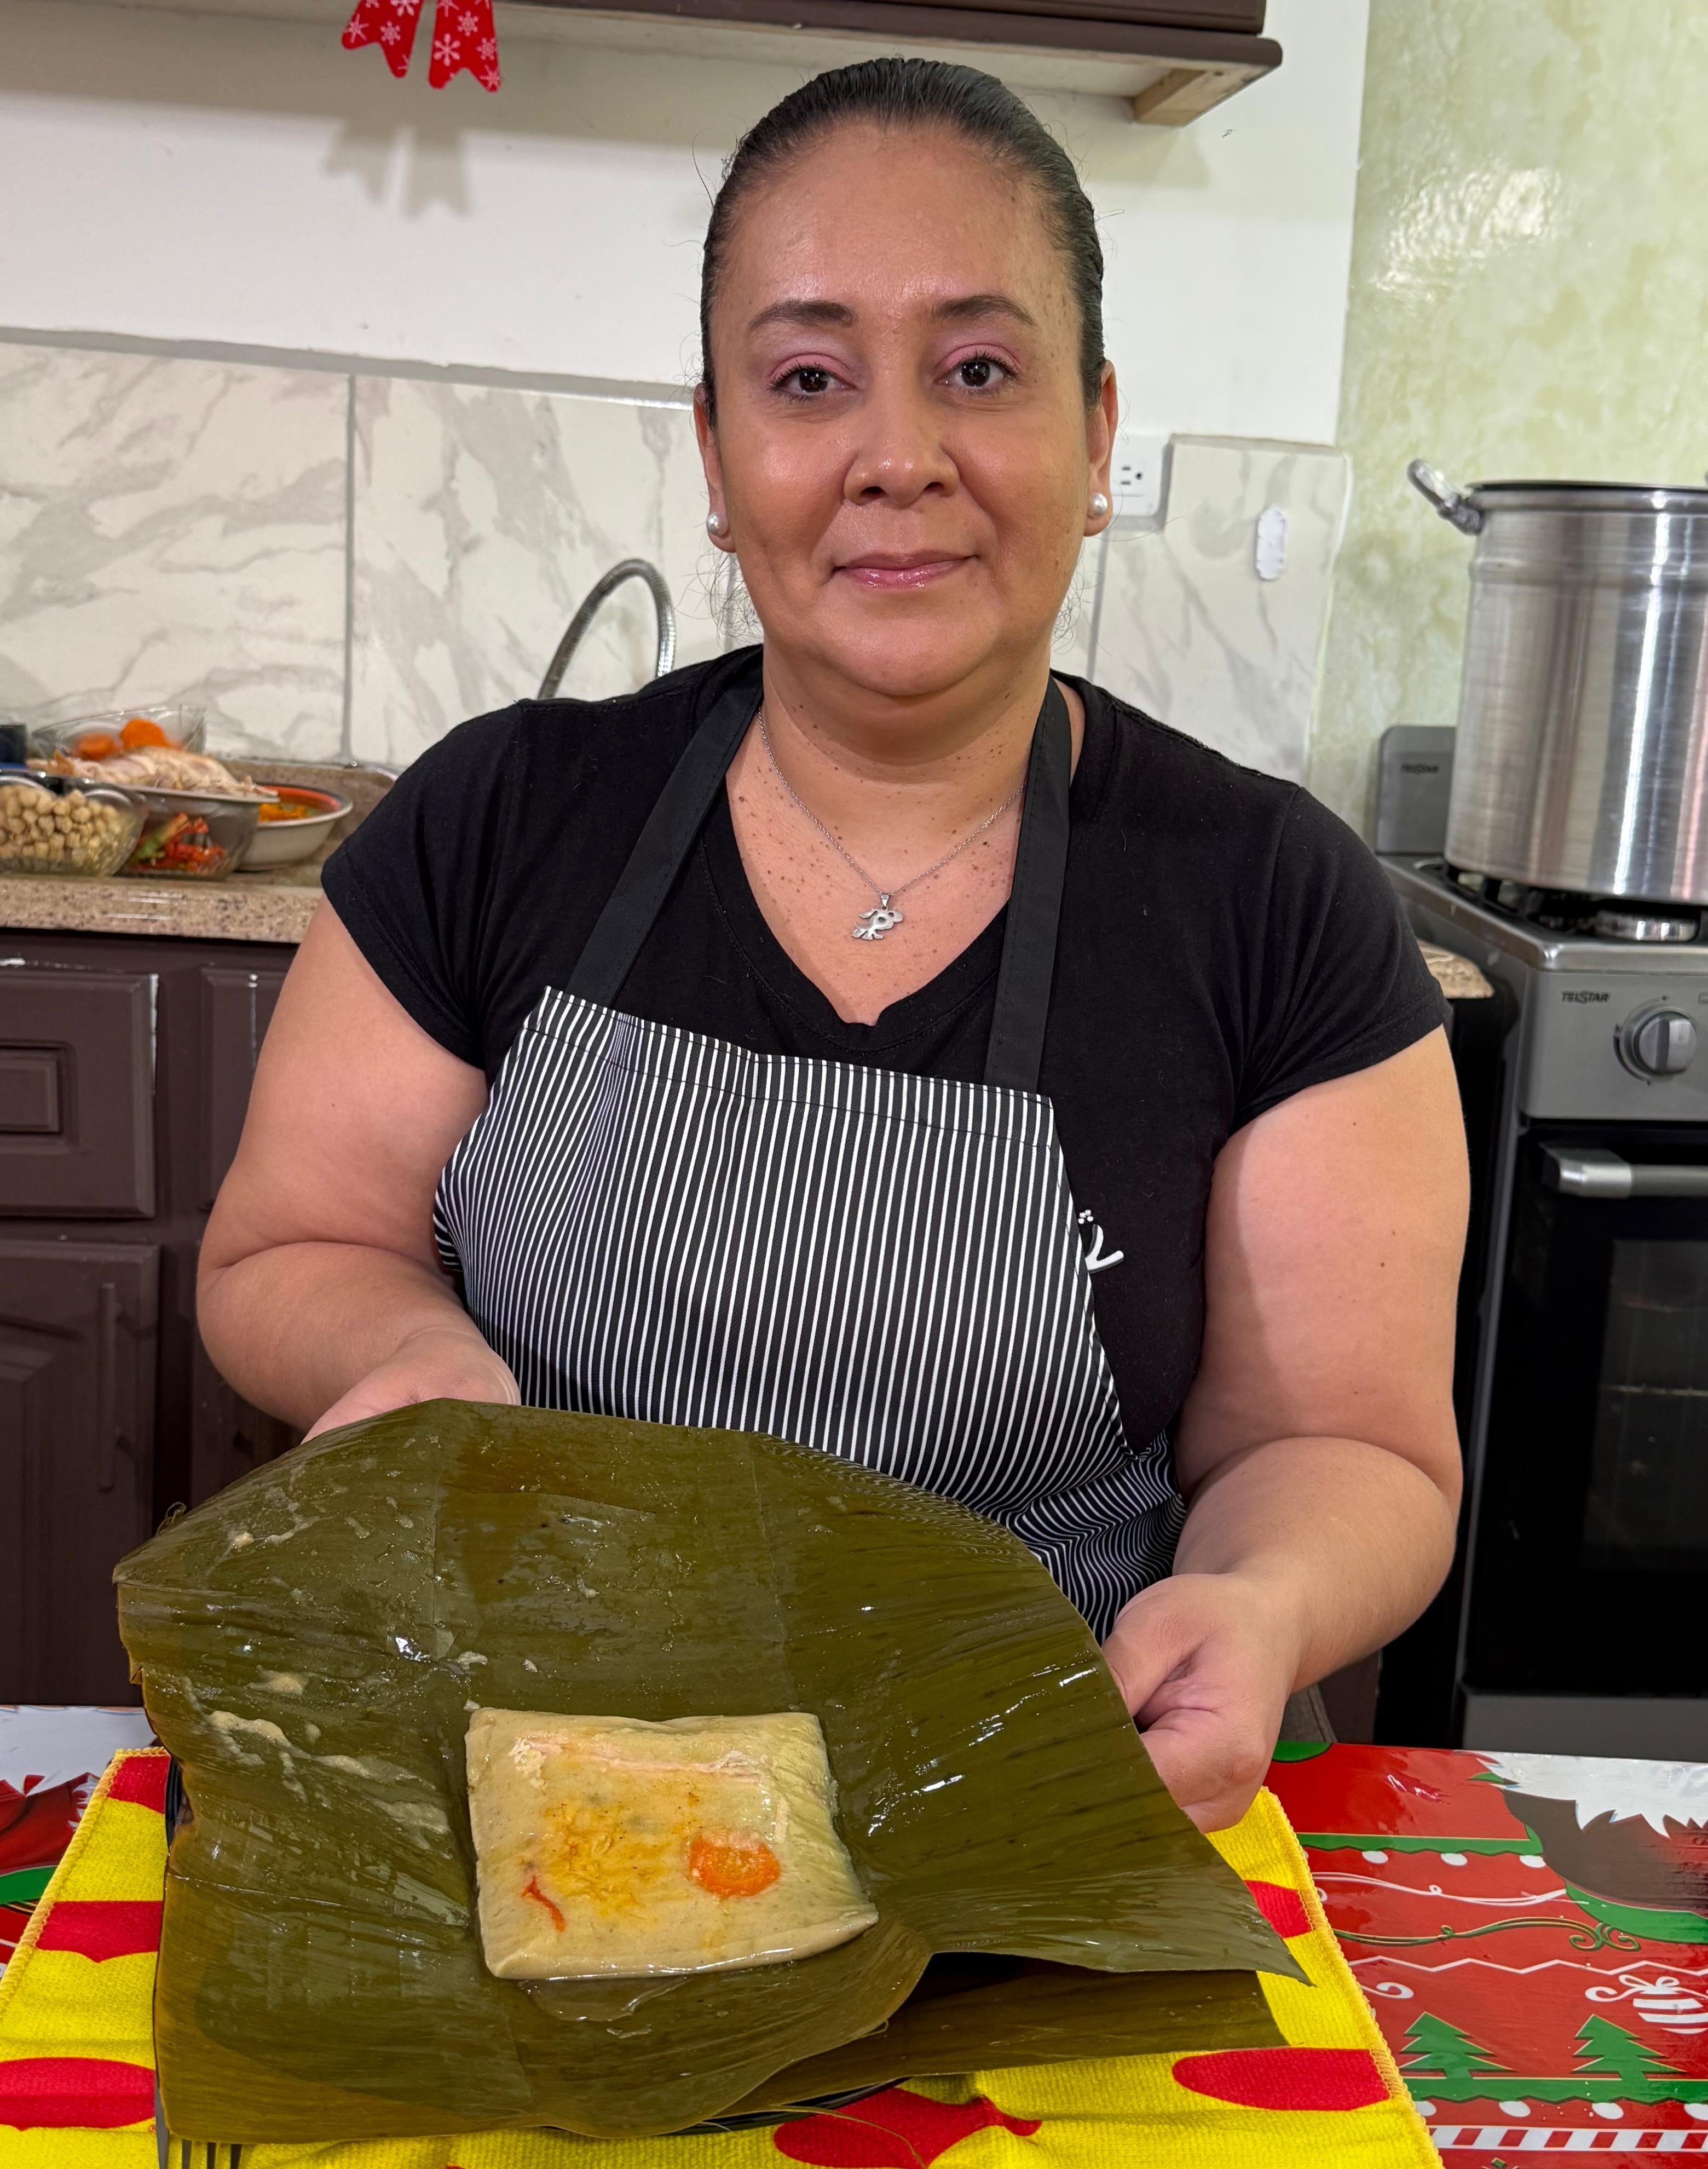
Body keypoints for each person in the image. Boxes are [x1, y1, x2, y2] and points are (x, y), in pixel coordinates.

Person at [199, 59, 1468, 1833]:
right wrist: (399, 1356)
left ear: (1096, 437)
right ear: (718, 456)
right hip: (522, 1798)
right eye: (808, 379)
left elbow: (1345, 1450)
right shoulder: (499, 813)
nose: (898, 456)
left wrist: (1261, 1603)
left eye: (980, 370)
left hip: (1033, 1815)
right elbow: (291, 1246)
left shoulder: (1269, 898)